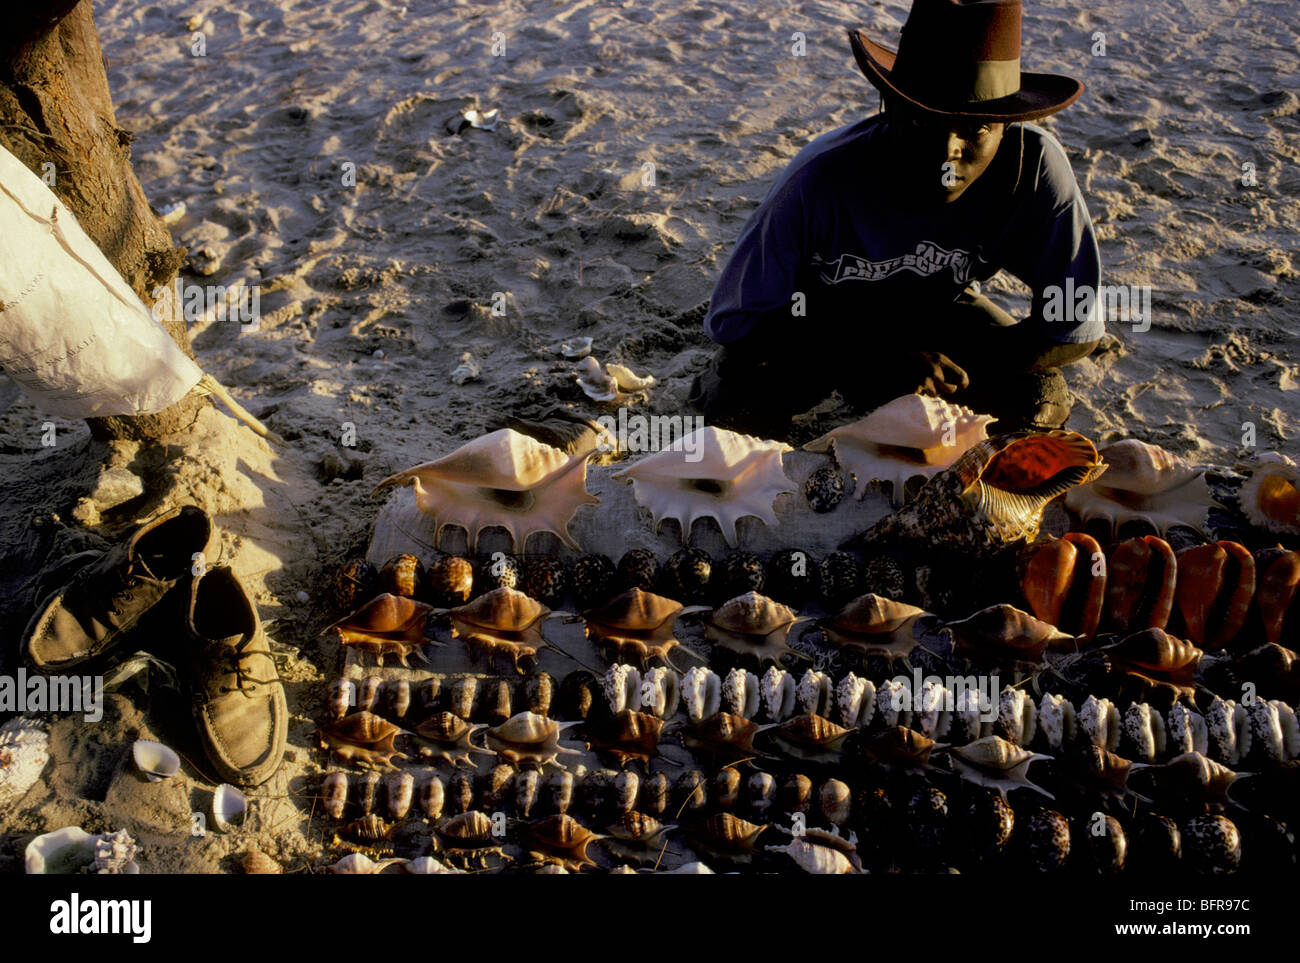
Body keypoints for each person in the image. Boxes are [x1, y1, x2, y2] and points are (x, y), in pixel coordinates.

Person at [689, 0, 1103, 440]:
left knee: (1040, 404)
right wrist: (872, 361)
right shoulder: (820, 179)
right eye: (924, 122)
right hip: (821, 323)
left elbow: (1074, 328)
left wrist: (961, 365)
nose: (948, 153)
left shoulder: (1032, 167)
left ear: (1007, 124)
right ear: (888, 104)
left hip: (941, 313)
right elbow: (736, 322)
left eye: (975, 129)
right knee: (732, 411)